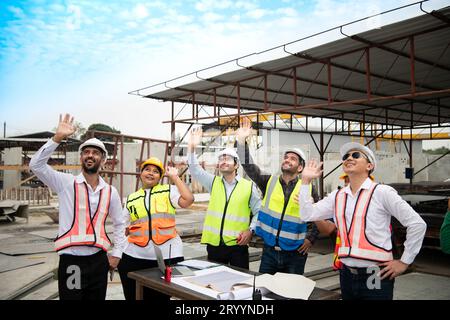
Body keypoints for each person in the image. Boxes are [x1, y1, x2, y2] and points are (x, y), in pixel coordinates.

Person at [299, 142, 427, 300]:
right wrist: (305, 181)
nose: (349, 158)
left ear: (369, 166)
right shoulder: (337, 196)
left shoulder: (382, 192)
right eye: (346, 156)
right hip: (346, 273)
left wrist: (404, 262)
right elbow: (307, 214)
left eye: (356, 155)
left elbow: (417, 224)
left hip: (375, 273)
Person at [29, 114, 124, 300]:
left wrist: (117, 254)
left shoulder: (110, 191)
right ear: (81, 157)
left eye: (96, 152)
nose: (90, 155)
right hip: (72, 261)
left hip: (98, 260)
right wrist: (57, 138)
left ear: (103, 160)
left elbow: (120, 224)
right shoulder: (65, 183)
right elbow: (36, 165)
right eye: (86, 152)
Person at [235, 118, 320, 275]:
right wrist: (241, 142)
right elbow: (249, 166)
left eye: (293, 159)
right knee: (265, 293)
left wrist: (310, 239)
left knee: (290, 294)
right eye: (286, 157)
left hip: (295, 254)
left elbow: (319, 215)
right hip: (269, 251)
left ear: (300, 167)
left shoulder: (307, 188)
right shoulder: (269, 181)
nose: (287, 159)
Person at [115, 157, 194, 300]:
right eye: (147, 169)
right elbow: (121, 225)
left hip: (166, 258)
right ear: (141, 173)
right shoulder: (131, 198)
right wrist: (118, 251)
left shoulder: (168, 191)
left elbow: (188, 199)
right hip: (135, 257)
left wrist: (175, 177)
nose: (151, 173)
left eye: (156, 171)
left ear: (160, 177)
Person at [187, 128, 261, 269]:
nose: (223, 161)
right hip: (215, 245)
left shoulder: (248, 186)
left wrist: (250, 230)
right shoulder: (213, 182)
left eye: (227, 158)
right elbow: (194, 169)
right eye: (221, 159)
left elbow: (259, 211)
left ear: (236, 165)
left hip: (237, 245)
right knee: (215, 283)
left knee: (240, 282)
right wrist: (192, 147)